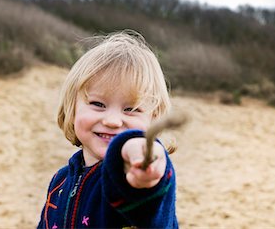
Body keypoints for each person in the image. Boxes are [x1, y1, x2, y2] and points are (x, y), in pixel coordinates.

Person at [37, 30, 178, 228]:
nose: (112, 121)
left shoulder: (128, 179)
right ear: (72, 108)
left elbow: (151, 198)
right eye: (98, 104)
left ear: (153, 119)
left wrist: (146, 159)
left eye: (131, 109)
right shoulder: (60, 182)